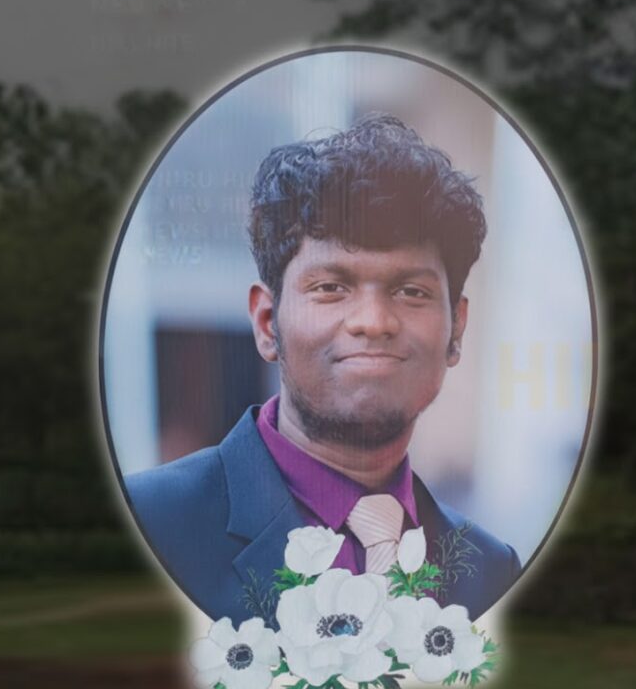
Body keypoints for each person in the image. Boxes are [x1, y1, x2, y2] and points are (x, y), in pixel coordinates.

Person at [124, 115, 520, 626]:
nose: (374, 322)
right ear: (268, 323)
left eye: (412, 292)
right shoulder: (148, 526)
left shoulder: (490, 572)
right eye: (331, 287)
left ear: (456, 328)